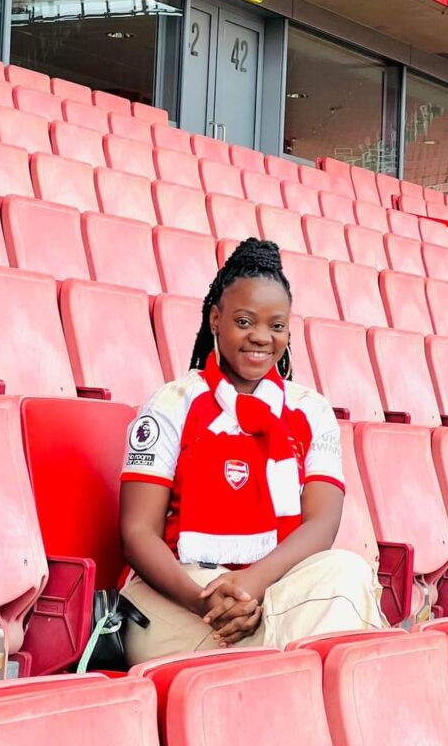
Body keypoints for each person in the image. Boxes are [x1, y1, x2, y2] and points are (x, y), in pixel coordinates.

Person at [119, 238, 385, 662]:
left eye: (276, 326)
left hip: (275, 585)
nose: (260, 337)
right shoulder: (170, 403)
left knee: (347, 572)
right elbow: (137, 532)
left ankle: (276, 662)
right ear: (216, 319)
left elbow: (323, 523)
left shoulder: (311, 410)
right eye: (244, 321)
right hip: (181, 594)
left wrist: (251, 585)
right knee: (321, 633)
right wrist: (206, 602)